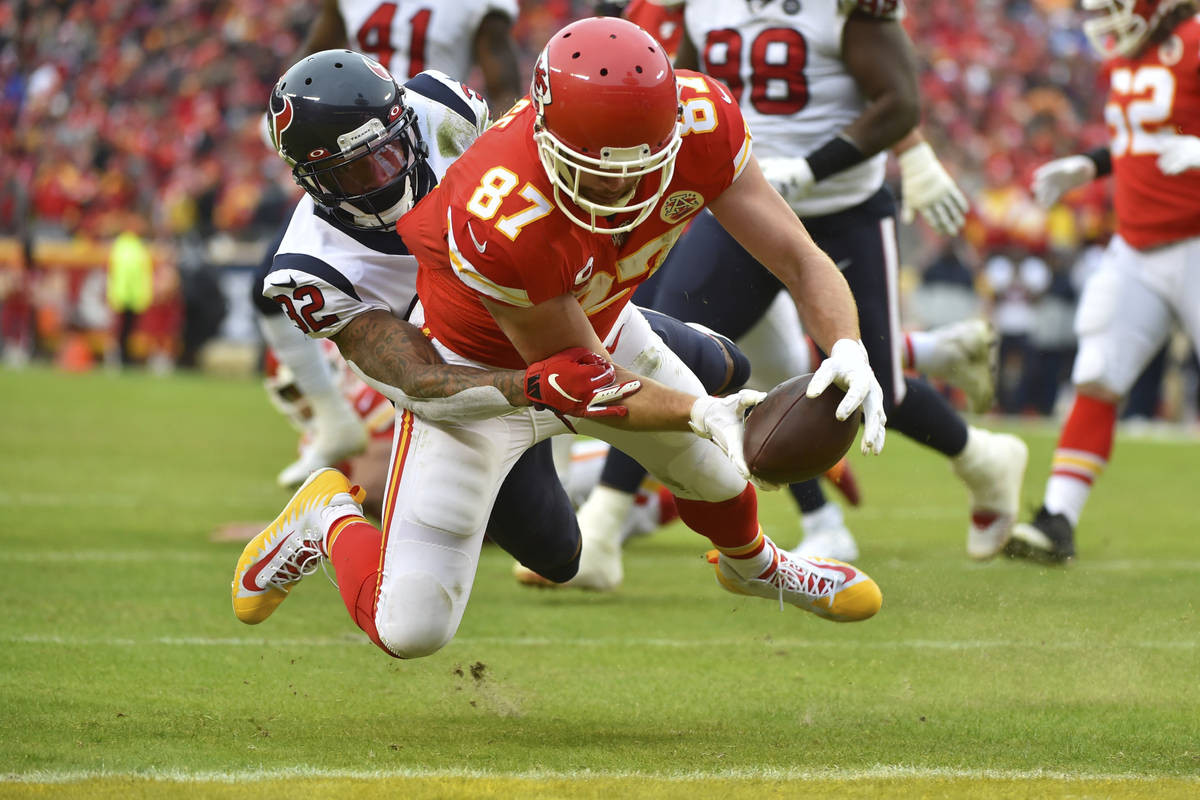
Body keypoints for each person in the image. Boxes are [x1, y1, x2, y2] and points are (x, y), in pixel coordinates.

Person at [233, 17, 890, 662]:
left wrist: (849, 350)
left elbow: (801, 257)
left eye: (390, 150)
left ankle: (755, 565)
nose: (620, 186)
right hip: (471, 377)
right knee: (425, 624)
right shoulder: (480, 219)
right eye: (355, 171)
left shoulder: (685, 118)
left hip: (579, 315)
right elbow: (556, 375)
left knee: (716, 468)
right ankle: (325, 517)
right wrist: (693, 409)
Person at [645, 0, 1028, 563]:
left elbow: (898, 100)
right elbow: (691, 97)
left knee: (870, 387)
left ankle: (981, 458)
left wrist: (816, 166)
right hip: (744, 205)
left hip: (843, 207)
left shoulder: (846, 9)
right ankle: (634, 526)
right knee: (674, 349)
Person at [257, 0, 524, 489]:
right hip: (345, 164)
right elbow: (311, 60)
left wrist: (506, 153)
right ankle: (334, 418)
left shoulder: (449, 106)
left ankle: (567, 461)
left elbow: (503, 80)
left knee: (529, 287)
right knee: (272, 283)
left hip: (425, 139)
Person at [1008, 0, 1200, 563]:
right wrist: (1091, 165)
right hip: (1136, 246)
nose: (1106, 14)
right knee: (1097, 375)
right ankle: (1057, 521)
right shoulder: (1127, 56)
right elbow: (1144, 136)